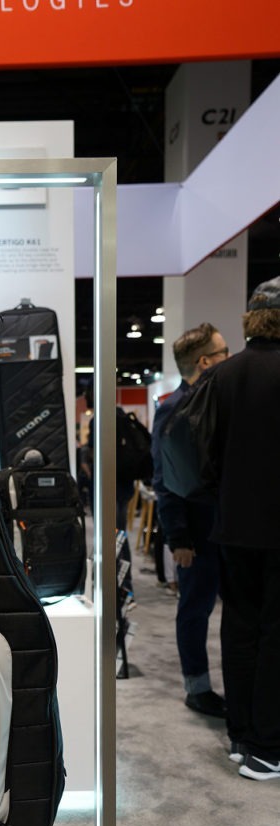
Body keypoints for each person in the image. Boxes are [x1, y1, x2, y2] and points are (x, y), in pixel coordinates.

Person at [208, 277, 280, 779]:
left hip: (233, 522)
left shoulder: (223, 374)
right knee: (276, 633)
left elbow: (206, 453)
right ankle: (267, 747)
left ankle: (241, 735)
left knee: (239, 627)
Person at [151, 323, 229, 717]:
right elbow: (164, 481)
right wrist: (178, 537)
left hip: (228, 527)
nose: (230, 358)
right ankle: (197, 688)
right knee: (195, 609)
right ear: (205, 362)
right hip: (196, 533)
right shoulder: (173, 409)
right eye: (224, 352)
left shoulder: (219, 402)